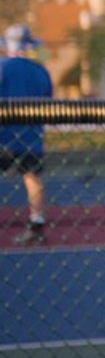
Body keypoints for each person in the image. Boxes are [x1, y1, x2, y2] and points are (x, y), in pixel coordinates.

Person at [2, 24, 54, 246]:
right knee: (32, 178)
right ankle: (37, 223)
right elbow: (48, 96)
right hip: (31, 137)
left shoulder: (2, 67)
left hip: (3, 136)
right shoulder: (40, 70)